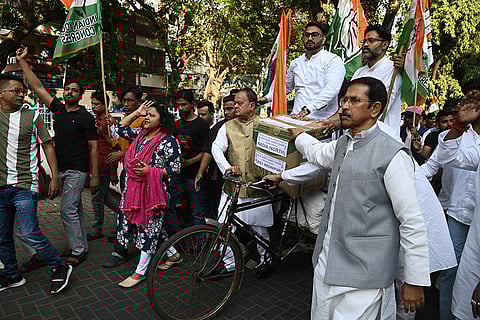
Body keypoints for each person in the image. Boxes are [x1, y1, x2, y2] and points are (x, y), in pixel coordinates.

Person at [267, 77, 430, 318]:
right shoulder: (343, 144)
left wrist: (414, 280)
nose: (344, 106)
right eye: (344, 100)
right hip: (327, 262)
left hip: (366, 276)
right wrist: (299, 135)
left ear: (375, 109)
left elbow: (411, 221)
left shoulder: (392, 155)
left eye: (354, 101)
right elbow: (318, 153)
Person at [17, 47, 99, 267]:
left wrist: (95, 175)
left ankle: (78, 250)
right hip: (62, 169)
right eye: (67, 89)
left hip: (78, 169)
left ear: (80, 95)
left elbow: (93, 147)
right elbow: (37, 86)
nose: (70, 91)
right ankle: (80, 244)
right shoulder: (59, 110)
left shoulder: (85, 116)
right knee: (75, 208)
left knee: (66, 209)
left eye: (74, 90)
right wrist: (22, 61)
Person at [0, 73, 73, 294]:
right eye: (16, 91)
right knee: (2, 237)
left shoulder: (32, 116)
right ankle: (13, 276)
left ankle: (60, 267)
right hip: (1, 187)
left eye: (23, 91)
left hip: (24, 185)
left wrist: (54, 176)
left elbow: (48, 146)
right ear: (1, 93)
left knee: (30, 232)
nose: (22, 94)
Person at [102, 100, 181, 287]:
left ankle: (140, 272)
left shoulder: (169, 141)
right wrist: (137, 112)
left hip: (154, 195)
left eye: (152, 115)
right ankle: (174, 256)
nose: (147, 118)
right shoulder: (140, 134)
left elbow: (176, 169)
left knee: (149, 229)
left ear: (162, 121)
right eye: (146, 114)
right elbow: (120, 129)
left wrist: (150, 172)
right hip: (133, 191)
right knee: (150, 228)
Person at [212, 88, 275, 278]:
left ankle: (266, 260)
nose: (235, 106)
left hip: (256, 187)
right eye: (235, 103)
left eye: (239, 103)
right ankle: (229, 263)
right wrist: (227, 168)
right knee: (223, 227)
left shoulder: (266, 125)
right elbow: (216, 148)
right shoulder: (228, 126)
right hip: (233, 187)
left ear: (252, 106)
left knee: (259, 229)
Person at [434, 79, 480, 320]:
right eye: (467, 98)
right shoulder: (458, 134)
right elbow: (450, 158)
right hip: (459, 215)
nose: (470, 104)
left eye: (476, 98)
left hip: (478, 220)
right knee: (451, 271)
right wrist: (459, 126)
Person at [258, 21, 346, 120]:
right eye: (307, 35)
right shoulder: (296, 63)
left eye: (315, 35)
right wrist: (266, 98)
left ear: (324, 39)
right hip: (296, 117)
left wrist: (309, 109)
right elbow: (285, 88)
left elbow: (332, 89)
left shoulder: (333, 60)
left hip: (322, 120)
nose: (310, 38)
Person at [351, 25, 405, 136]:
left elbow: (380, 109)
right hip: (357, 135)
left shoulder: (393, 70)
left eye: (371, 41)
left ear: (385, 44)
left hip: (383, 137)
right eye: (364, 41)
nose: (366, 45)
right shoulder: (359, 73)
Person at [168, 89, 209, 232]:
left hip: (194, 175)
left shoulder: (201, 125)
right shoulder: (177, 124)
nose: (181, 108)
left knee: (197, 211)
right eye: (178, 105)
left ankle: (200, 243)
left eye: (184, 104)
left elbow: (206, 151)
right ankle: (175, 240)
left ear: (193, 104)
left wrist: (190, 162)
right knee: (171, 208)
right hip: (177, 174)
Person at [195, 95, 237, 219]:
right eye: (225, 109)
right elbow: (209, 151)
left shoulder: (248, 127)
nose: (227, 112)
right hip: (218, 177)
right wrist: (200, 172)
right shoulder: (219, 127)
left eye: (230, 108)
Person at [87, 91, 122, 241]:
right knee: (104, 196)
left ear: (105, 104)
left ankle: (97, 228)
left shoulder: (108, 121)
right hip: (97, 162)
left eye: (97, 104)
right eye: (92, 103)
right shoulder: (98, 119)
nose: (94, 106)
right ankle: (125, 216)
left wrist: (113, 170)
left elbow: (114, 146)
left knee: (97, 197)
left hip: (103, 162)